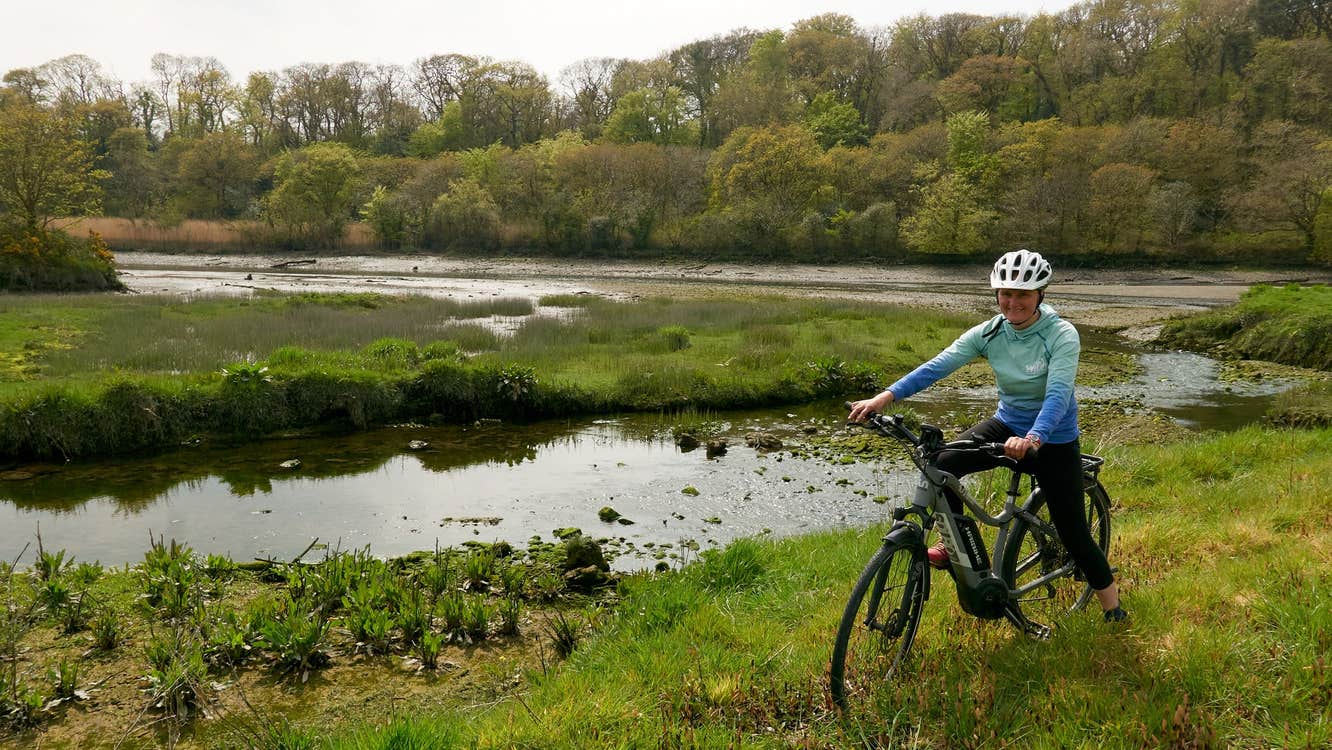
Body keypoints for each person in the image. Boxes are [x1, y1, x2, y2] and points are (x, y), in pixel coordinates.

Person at [847, 249, 1127, 623]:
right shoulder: (991, 332)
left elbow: (1058, 395)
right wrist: (885, 397)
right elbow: (938, 365)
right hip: (1006, 424)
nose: (1013, 302)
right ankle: (953, 546)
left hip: (1053, 438)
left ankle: (1113, 608)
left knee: (1074, 535)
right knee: (941, 465)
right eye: (1005, 294)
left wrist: (1035, 438)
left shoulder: (1061, 335)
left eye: (1023, 294)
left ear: (1040, 295)